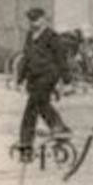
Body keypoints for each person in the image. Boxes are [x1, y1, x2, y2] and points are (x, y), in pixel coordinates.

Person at [14, 8, 71, 154]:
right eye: (31, 20)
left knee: (31, 107)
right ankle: (59, 128)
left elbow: (61, 59)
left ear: (44, 19)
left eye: (37, 19)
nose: (34, 23)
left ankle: (26, 142)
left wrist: (67, 81)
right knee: (41, 105)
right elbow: (26, 58)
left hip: (48, 76)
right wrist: (20, 79)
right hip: (34, 77)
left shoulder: (52, 36)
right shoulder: (30, 36)